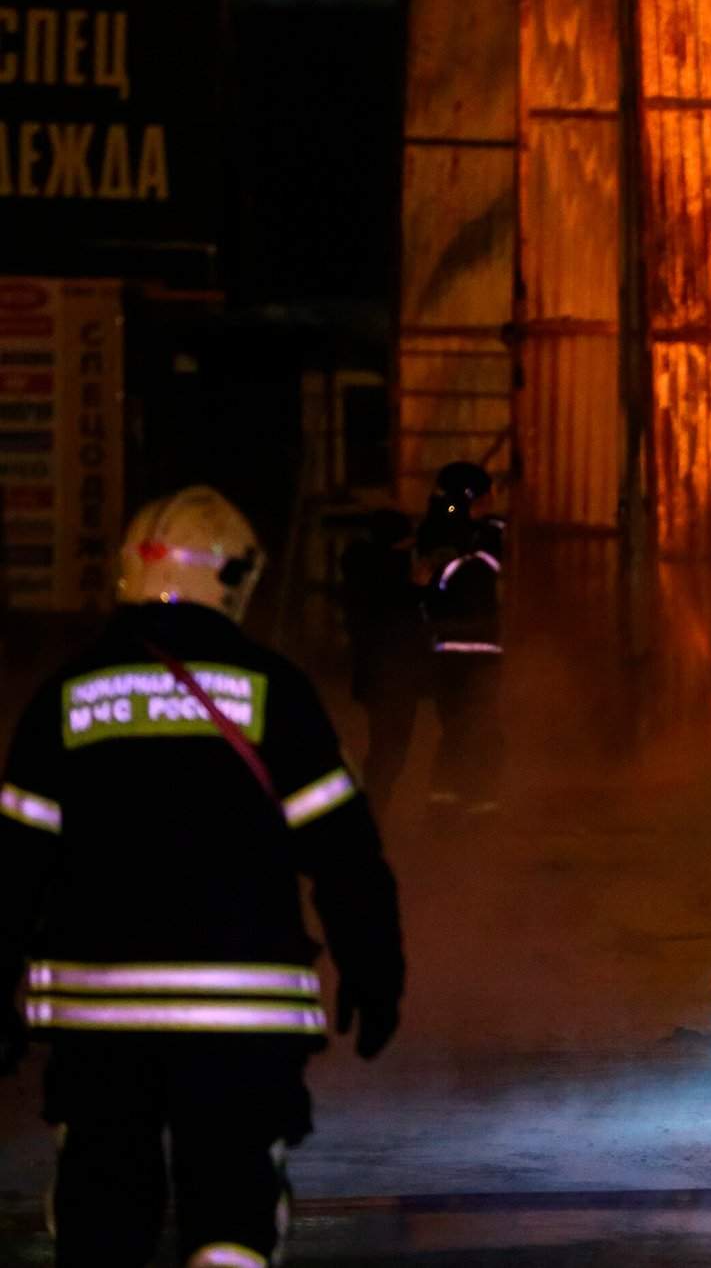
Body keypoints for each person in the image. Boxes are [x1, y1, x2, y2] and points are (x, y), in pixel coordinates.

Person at [0, 486, 404, 1268]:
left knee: (102, 1218)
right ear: (234, 577)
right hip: (241, 1020)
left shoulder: (65, 696)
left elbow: (14, 866)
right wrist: (375, 971)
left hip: (98, 1023)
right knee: (233, 1214)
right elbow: (346, 854)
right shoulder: (274, 691)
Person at [414, 461, 506, 812]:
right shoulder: (461, 536)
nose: (491, 502)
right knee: (479, 727)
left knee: (458, 727)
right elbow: (482, 568)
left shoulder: (445, 529)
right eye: (484, 496)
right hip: (470, 649)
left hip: (451, 649)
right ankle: (478, 801)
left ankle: (447, 800)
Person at [339, 508, 425, 810]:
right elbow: (395, 616)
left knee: (387, 752)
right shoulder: (383, 579)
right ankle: (372, 812)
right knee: (388, 753)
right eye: (405, 545)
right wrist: (418, 589)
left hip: (384, 678)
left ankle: (373, 810)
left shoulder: (368, 575)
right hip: (390, 678)